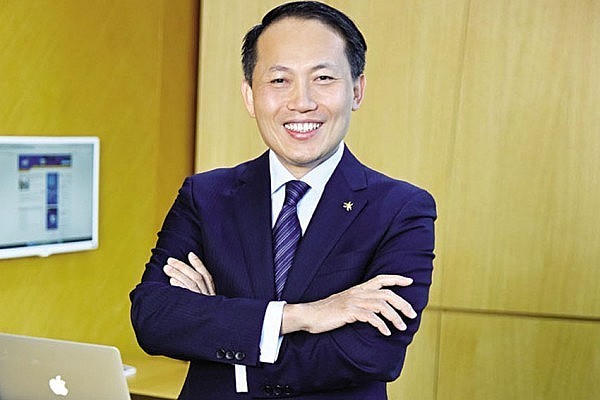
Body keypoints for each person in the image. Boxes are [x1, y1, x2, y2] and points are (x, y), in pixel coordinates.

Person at [130, 2, 436, 399]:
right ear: (249, 96)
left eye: (323, 78)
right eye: (279, 80)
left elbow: (371, 354)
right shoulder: (205, 197)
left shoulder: (400, 209)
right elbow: (153, 318)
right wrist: (303, 316)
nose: (301, 101)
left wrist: (222, 329)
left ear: (357, 90)